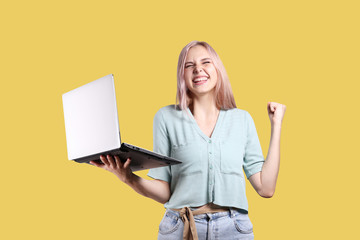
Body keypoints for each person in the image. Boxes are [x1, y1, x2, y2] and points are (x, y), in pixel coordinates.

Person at [90, 41, 286, 240]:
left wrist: (276, 124)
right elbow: (165, 192)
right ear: (181, 75)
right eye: (189, 65)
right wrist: (128, 178)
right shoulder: (165, 118)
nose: (198, 69)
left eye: (206, 62)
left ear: (218, 69)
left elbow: (266, 188)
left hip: (234, 229)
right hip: (179, 228)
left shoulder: (242, 119)